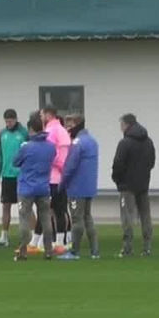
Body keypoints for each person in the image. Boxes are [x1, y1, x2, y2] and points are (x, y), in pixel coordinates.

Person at [12, 112, 56, 262]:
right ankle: (48, 251)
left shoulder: (27, 147)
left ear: (31, 129)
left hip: (26, 188)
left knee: (24, 218)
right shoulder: (51, 147)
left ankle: (23, 251)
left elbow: (15, 162)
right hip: (44, 187)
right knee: (46, 219)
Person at [112, 112, 157, 258]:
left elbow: (118, 164)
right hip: (143, 185)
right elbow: (152, 162)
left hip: (127, 186)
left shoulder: (124, 143)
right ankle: (147, 248)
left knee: (127, 217)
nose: (120, 128)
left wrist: (117, 180)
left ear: (126, 125)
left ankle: (127, 248)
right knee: (145, 216)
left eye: (121, 125)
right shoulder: (148, 141)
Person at [57, 112, 100, 261]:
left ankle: (74, 252)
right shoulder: (93, 141)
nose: (68, 128)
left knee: (77, 219)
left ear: (77, 125)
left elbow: (69, 167)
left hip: (77, 187)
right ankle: (95, 251)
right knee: (88, 217)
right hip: (89, 187)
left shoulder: (77, 143)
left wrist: (62, 184)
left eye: (70, 125)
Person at [0, 109, 28, 248]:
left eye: (10, 121)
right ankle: (4, 237)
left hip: (21, 176)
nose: (8, 124)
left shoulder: (24, 133)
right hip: (6, 175)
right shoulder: (2, 133)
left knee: (24, 207)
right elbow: (0, 154)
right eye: (6, 121)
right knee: (6, 206)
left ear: (15, 119)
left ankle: (31, 238)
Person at [41, 106, 73, 254]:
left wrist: (57, 165)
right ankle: (61, 241)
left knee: (48, 210)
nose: (41, 117)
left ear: (48, 115)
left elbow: (51, 154)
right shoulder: (63, 131)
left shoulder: (50, 131)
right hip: (62, 178)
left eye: (42, 114)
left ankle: (43, 241)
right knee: (61, 211)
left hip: (52, 178)